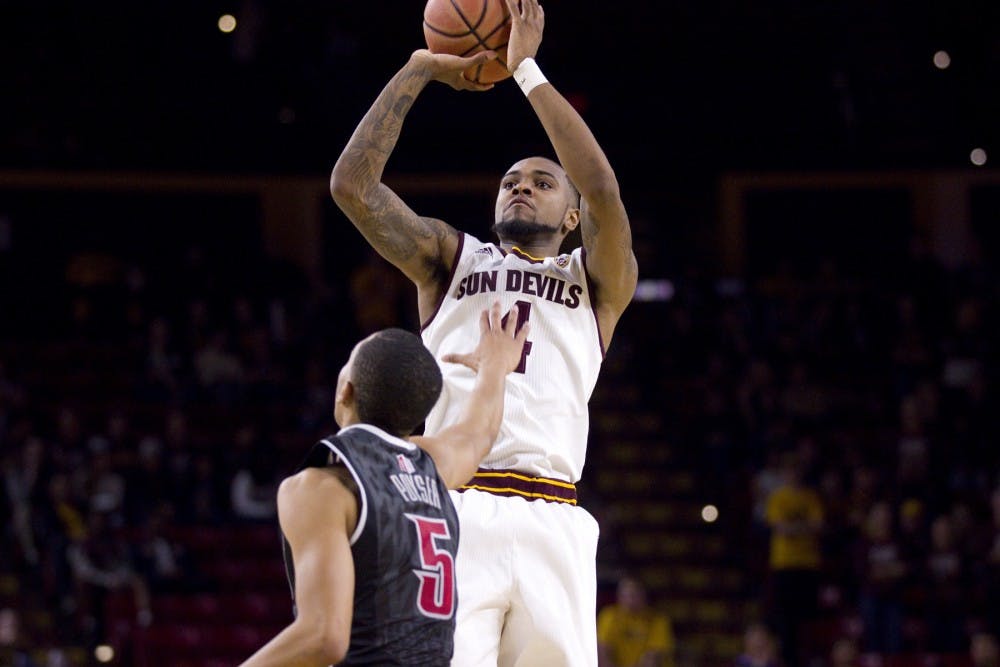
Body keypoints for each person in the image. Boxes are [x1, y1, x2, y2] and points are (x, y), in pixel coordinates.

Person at [329, 1, 638, 664]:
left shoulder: (597, 282)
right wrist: (417, 70)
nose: (520, 187)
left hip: (554, 513)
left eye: (541, 181)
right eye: (509, 181)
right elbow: (352, 187)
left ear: (574, 215)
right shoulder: (450, 258)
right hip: (455, 503)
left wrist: (525, 70)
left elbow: (605, 187)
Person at [240, 302, 528, 666]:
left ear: (346, 391)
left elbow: (323, 636)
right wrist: (496, 367)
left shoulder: (322, 487)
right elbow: (479, 433)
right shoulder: (432, 465)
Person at [764, 451, 824, 667]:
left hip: (808, 564)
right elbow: (780, 528)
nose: (793, 475)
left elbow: (818, 526)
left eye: (796, 470)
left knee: (807, 620)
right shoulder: (777, 498)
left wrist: (794, 528)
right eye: (788, 470)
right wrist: (803, 528)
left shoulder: (810, 497)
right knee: (785, 619)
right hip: (784, 564)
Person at [597, 575, 675, 667]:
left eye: (634, 595)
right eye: (626, 595)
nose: (630, 600)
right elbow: (602, 652)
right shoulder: (608, 616)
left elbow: (653, 658)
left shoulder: (658, 620)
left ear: (644, 595)